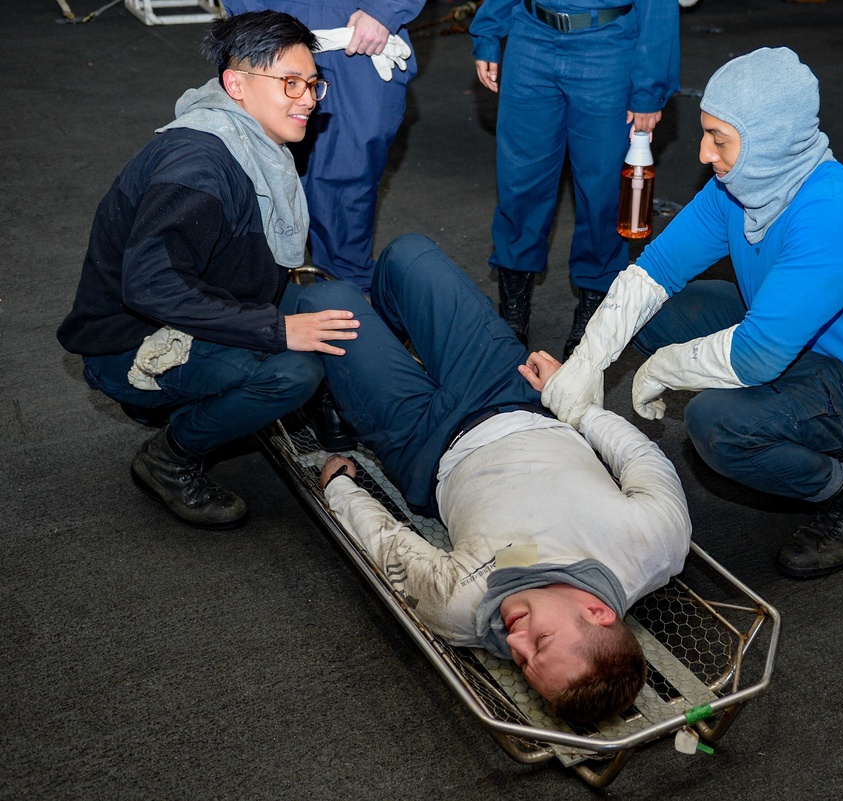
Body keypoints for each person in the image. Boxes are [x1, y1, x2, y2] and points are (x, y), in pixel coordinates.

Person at [538, 47, 843, 580]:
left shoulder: (835, 210)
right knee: (656, 312)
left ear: (770, 142)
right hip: (790, 339)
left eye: (720, 138)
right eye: (706, 132)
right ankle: (787, 424)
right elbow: (654, 273)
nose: (702, 152)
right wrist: (585, 364)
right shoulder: (739, 186)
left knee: (716, 423)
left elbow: (758, 355)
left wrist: (661, 370)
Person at [296, 233, 691, 723]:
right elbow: (639, 456)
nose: (515, 638)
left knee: (321, 303)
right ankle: (385, 349)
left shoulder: (463, 608)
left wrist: (340, 490)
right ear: (599, 614)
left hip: (426, 447)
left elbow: (390, 546)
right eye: (540, 642)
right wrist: (573, 403)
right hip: (517, 392)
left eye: (522, 662)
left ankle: (355, 381)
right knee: (406, 256)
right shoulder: (655, 544)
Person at [56, 12, 361, 529]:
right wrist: (277, 330)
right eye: (290, 83)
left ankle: (255, 395)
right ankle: (169, 457)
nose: (308, 99)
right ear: (235, 84)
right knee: (293, 371)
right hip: (131, 341)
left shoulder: (249, 141)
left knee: (331, 304)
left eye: (312, 84)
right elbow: (149, 285)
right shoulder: (198, 163)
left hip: (201, 298)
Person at [469, 0, 680, 358]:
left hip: (607, 46)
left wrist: (648, 88)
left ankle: (595, 308)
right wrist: (488, 29)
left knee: (603, 195)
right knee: (520, 184)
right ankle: (514, 309)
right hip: (531, 38)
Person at [223, 0, 427, 293]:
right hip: (269, 21)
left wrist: (385, 10)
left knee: (347, 178)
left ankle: (347, 300)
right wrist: (249, 18)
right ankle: (259, 306)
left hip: (356, 33)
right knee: (258, 172)